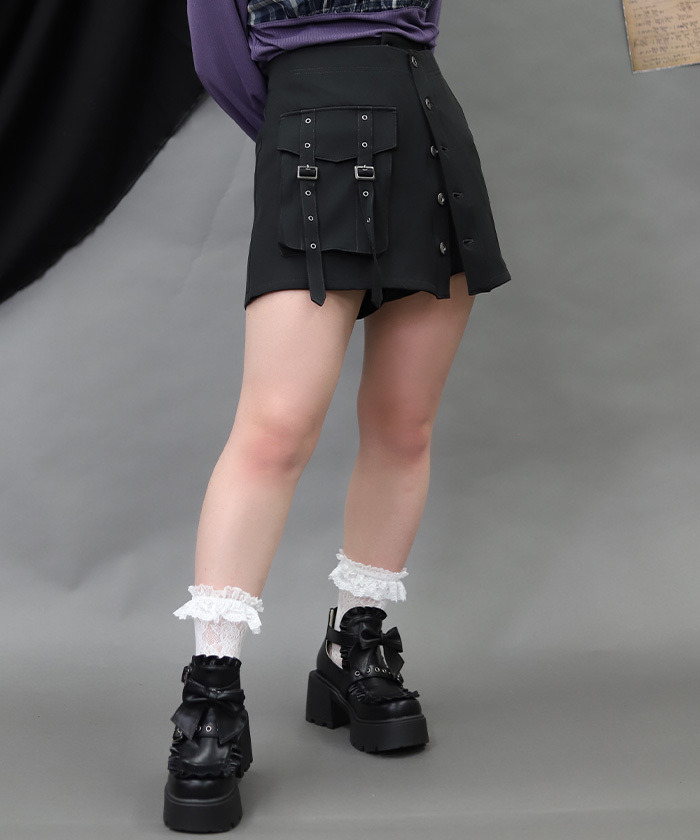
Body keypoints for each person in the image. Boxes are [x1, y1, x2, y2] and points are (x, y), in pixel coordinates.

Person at [163, 0, 511, 832]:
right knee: (274, 431)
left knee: (405, 424)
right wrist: (304, 122)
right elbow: (219, 59)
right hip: (310, 138)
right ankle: (213, 693)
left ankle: (357, 645)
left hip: (424, 127)